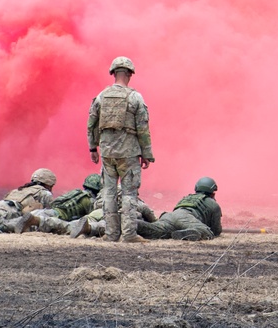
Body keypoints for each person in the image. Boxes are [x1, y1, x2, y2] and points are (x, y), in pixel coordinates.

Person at [87, 56, 155, 243]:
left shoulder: (101, 96)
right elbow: (142, 128)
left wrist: (93, 148)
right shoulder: (135, 97)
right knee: (129, 194)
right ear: (130, 74)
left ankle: (111, 234)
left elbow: (91, 123)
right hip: (129, 153)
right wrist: (146, 154)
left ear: (113, 73)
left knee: (108, 193)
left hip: (108, 153)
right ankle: (129, 234)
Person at [0, 173, 102, 234]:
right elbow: (88, 217)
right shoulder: (90, 200)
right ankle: (1, 228)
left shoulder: (76, 193)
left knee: (20, 221)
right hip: (56, 216)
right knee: (32, 226)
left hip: (48, 211)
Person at [137, 177, 222, 241]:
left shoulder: (188, 197)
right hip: (186, 219)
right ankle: (186, 233)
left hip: (170, 216)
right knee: (207, 233)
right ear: (212, 192)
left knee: (155, 230)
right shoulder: (213, 204)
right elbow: (216, 231)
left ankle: (134, 224)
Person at [69, 192, 157, 238]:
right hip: (119, 217)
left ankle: (62, 225)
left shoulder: (106, 199)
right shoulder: (137, 203)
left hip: (101, 212)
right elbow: (153, 220)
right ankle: (89, 228)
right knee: (108, 225)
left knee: (77, 223)